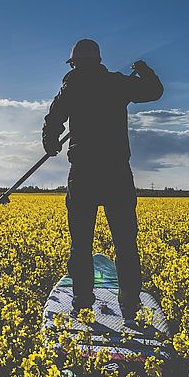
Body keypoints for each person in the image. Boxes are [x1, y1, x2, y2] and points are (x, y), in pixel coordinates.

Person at [42, 38, 163, 322]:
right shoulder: (117, 83)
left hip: (83, 173)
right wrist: (145, 71)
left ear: (74, 63)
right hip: (116, 173)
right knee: (125, 243)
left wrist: (51, 142)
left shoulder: (70, 87)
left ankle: (82, 304)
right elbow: (154, 91)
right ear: (97, 61)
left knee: (81, 244)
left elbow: (53, 119)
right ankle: (130, 306)